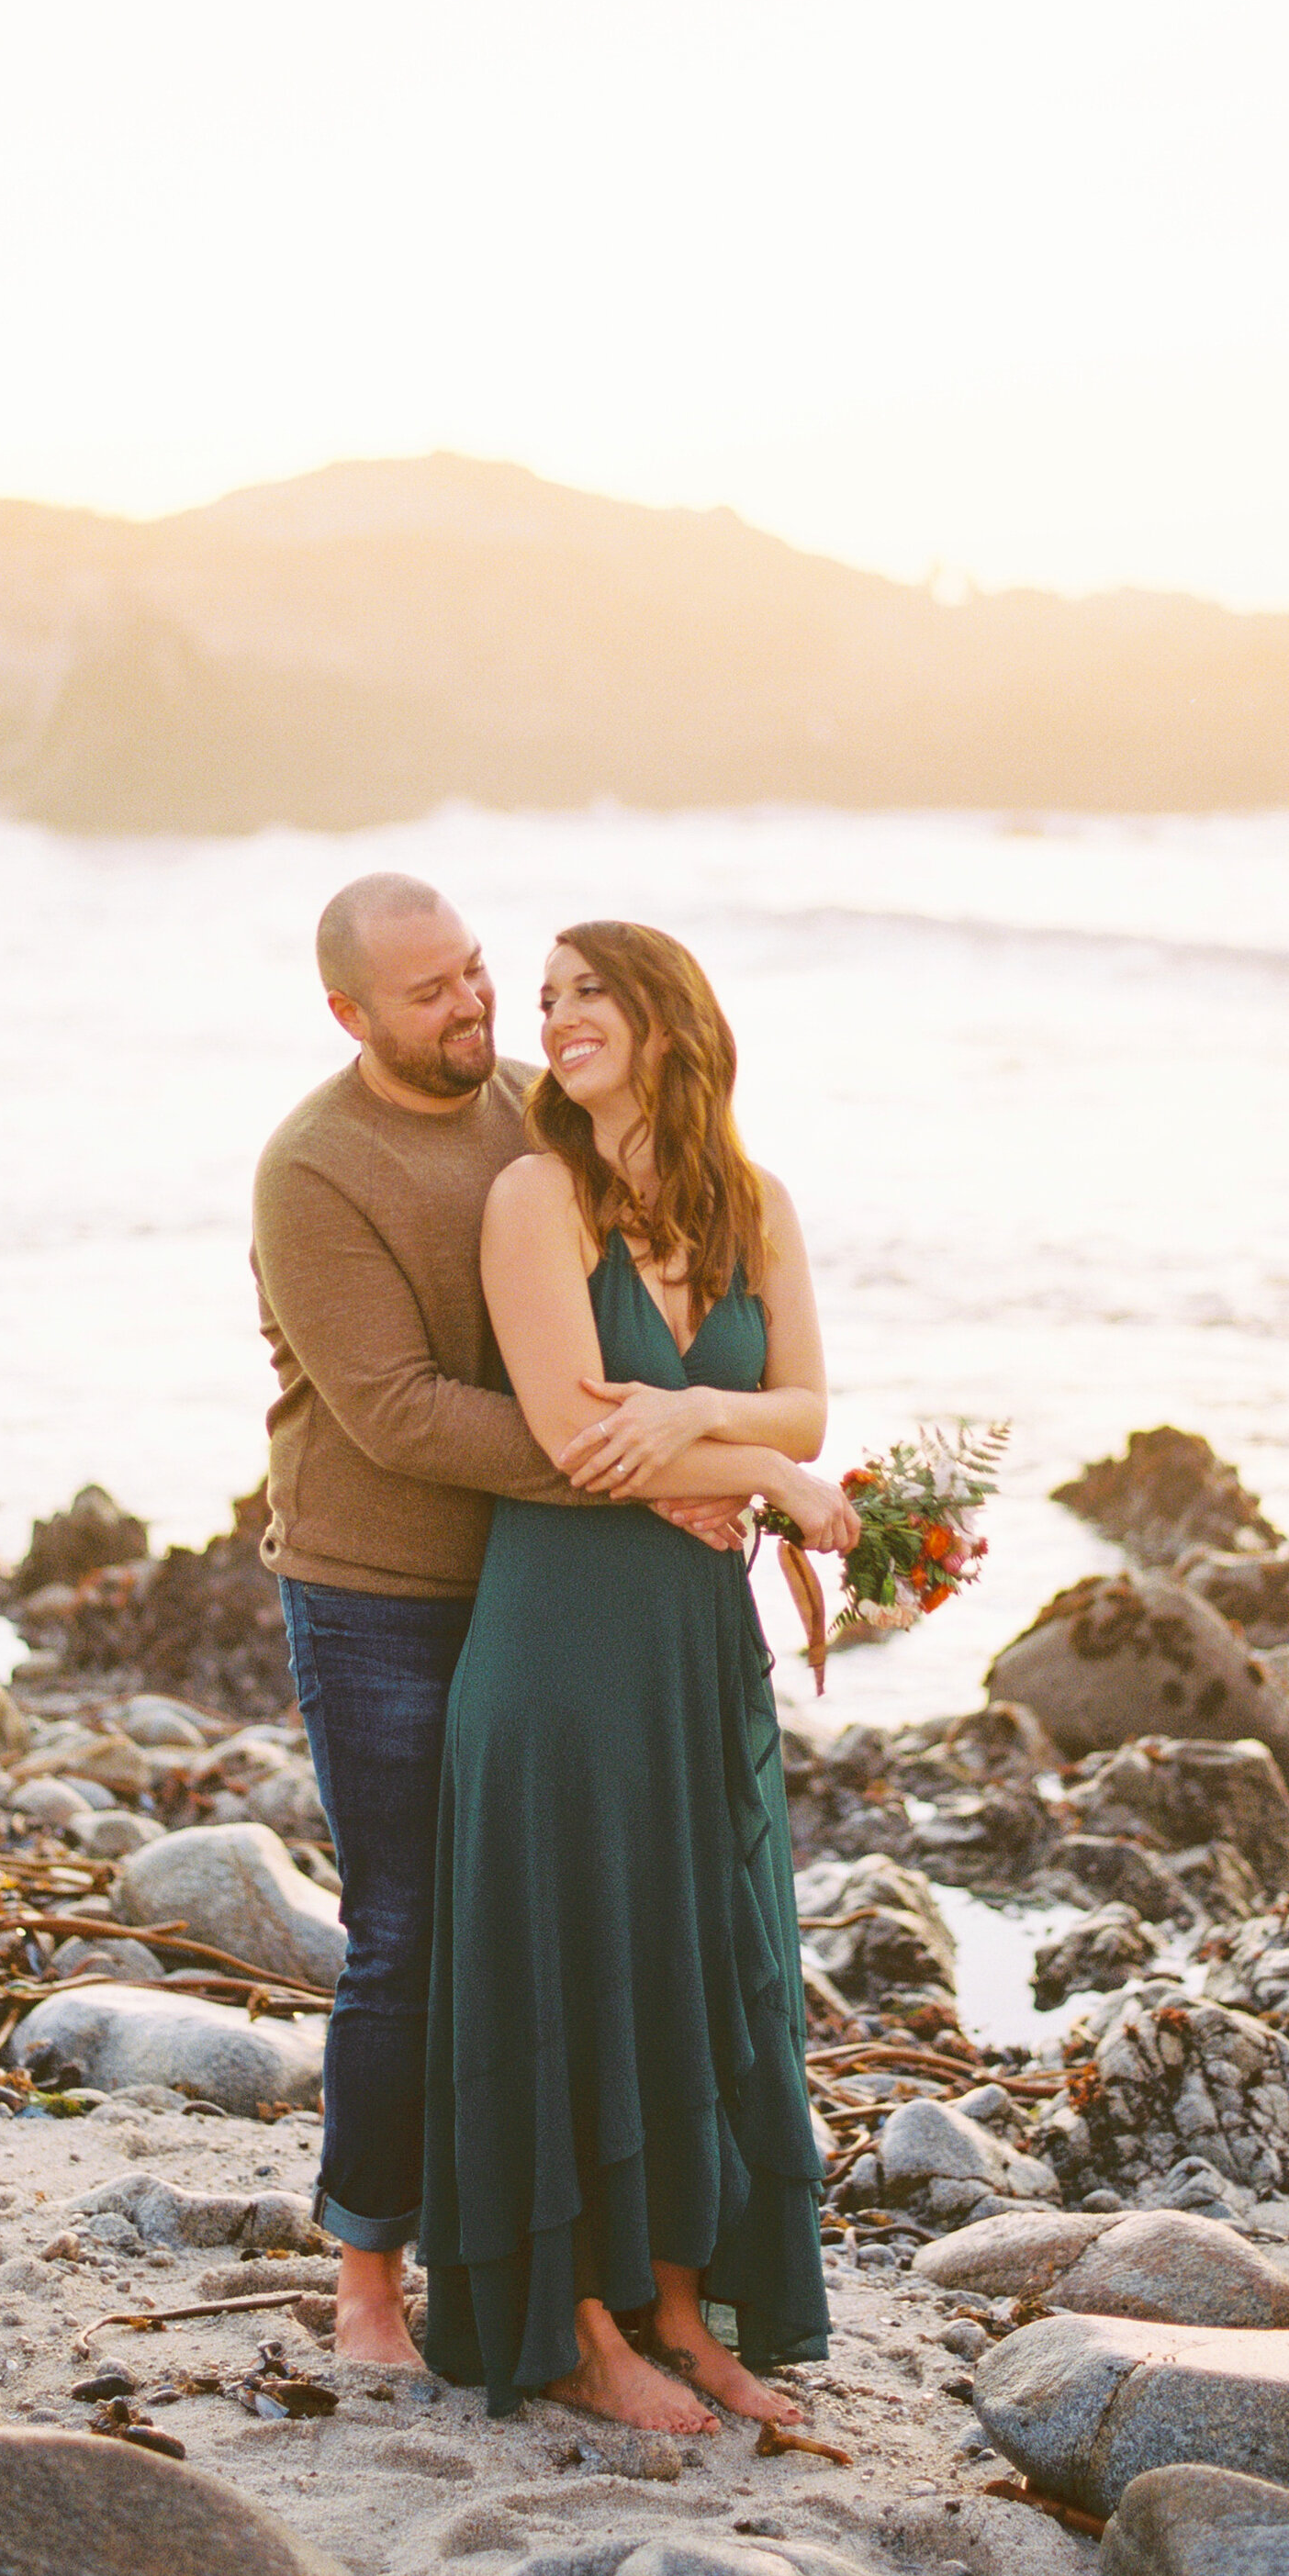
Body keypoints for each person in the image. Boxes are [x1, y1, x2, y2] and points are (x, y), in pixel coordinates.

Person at [251, 874, 737, 2366]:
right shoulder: (313, 1168)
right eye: (430, 993)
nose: (472, 1007)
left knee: (551, 1936)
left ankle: (545, 2268)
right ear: (350, 1014)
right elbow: (394, 1414)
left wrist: (698, 1449)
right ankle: (365, 2283)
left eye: (476, 973)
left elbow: (658, 1295)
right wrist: (648, 1478)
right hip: (381, 1594)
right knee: (407, 1937)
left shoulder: (538, 1107)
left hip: (549, 1591)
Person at [420, 920, 860, 2430]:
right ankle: (587, 2329)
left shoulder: (758, 1204)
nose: (556, 1016)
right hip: (555, 1643)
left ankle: (687, 2314)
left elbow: (803, 1407)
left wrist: (709, 1440)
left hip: (691, 1647)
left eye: (587, 991)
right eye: (547, 1000)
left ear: (670, 1016)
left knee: (691, 1965)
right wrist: (767, 1475)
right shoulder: (535, 1195)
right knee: (573, 1969)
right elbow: (565, 1425)